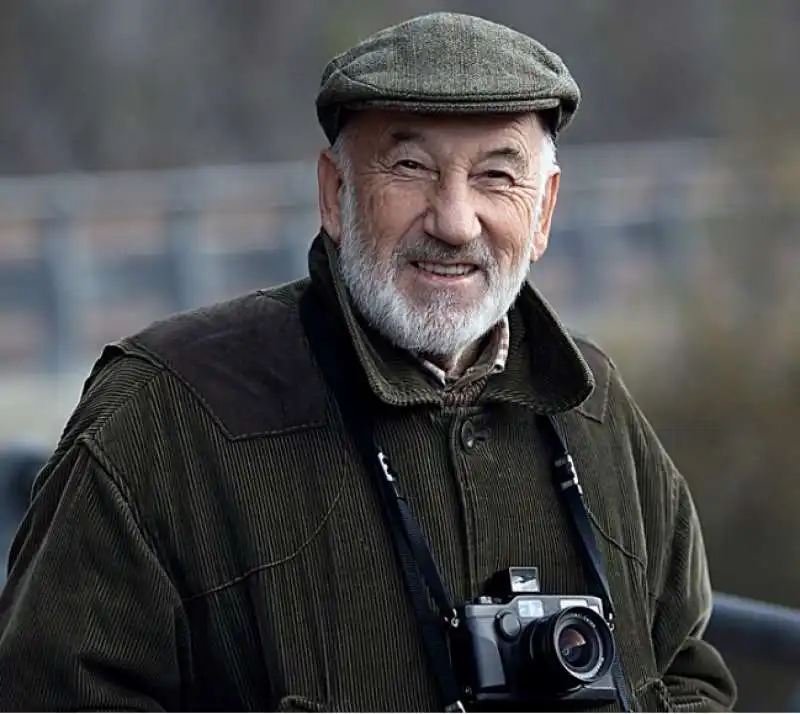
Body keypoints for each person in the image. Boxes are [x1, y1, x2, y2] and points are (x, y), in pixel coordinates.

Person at [0, 12, 736, 712]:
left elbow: (686, 673)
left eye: (496, 177)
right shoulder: (166, 414)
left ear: (542, 213)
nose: (453, 220)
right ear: (335, 192)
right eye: (411, 167)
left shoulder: (595, 407)